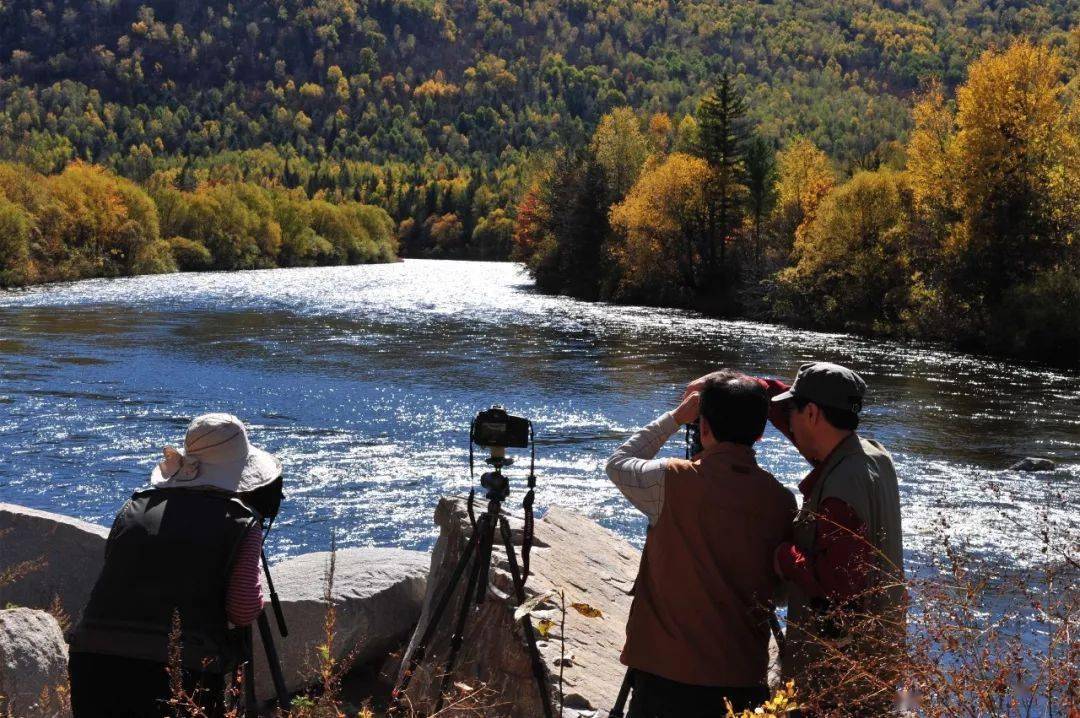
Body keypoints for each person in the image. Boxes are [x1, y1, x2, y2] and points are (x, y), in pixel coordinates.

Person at [689, 362, 905, 714]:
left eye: (795, 410)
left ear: (813, 413)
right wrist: (746, 387)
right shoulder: (871, 456)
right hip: (875, 667)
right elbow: (797, 426)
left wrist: (784, 555)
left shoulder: (840, 489)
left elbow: (837, 585)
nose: (788, 422)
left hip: (836, 677)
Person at [605, 370, 797, 717]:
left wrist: (677, 418)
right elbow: (781, 590)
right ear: (760, 432)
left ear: (703, 428)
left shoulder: (671, 480)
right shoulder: (782, 501)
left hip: (665, 676)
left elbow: (618, 463)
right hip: (741, 681)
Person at [68, 413, 279, 717]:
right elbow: (243, 610)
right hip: (181, 670)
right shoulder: (240, 523)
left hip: (93, 662)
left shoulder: (134, 508)